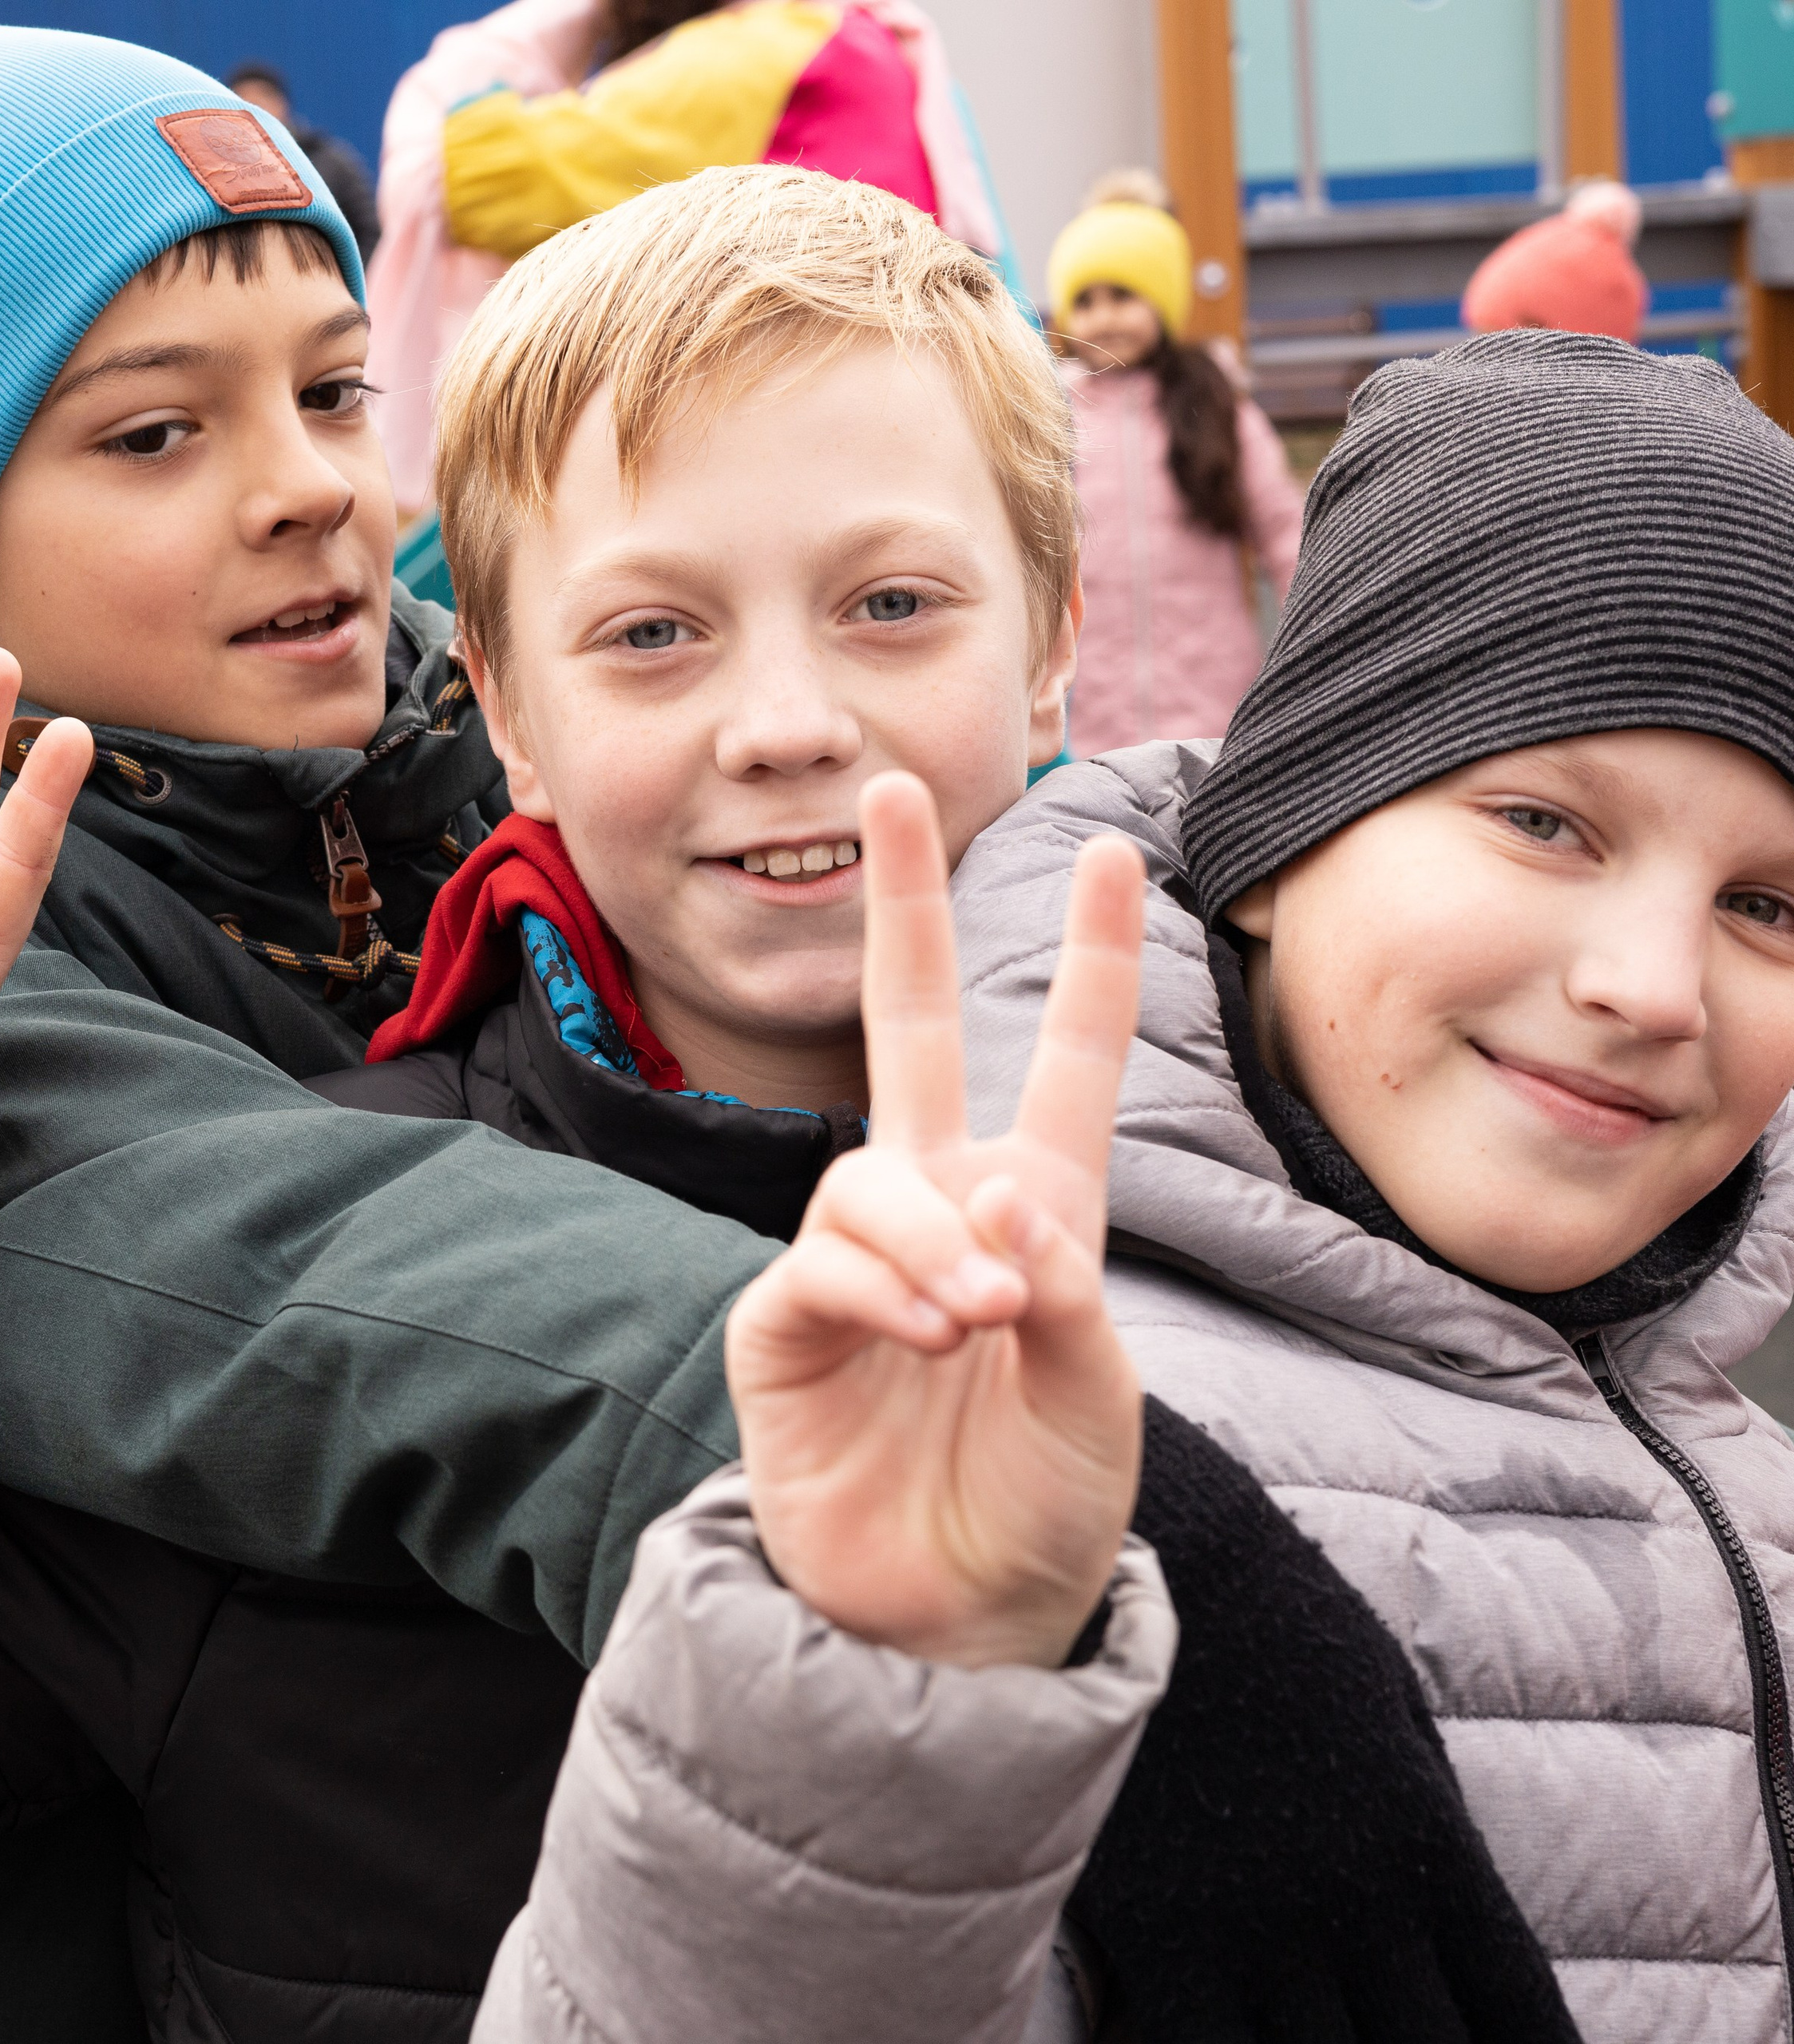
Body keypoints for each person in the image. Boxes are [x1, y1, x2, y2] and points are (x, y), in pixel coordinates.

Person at [0, 152, 1575, 2044]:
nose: (781, 716)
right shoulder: (311, 1339)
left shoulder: (1360, 1199)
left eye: (886, 602)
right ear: (494, 705)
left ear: (1051, 642)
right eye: (650, 632)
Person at [952, 327, 1794, 2044]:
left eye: (1766, 903)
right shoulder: (1057, 1470)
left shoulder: (1735, 1429)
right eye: (1543, 821)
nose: (1652, 982)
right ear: (1276, 834)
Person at [363, 0, 1008, 513]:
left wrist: (570, 15)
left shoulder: (747, 57)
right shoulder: (872, 41)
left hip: (797, 455)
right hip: (893, 436)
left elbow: (448, 167)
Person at [1045, 175, 1302, 758]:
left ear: (1162, 300)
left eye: (1124, 296)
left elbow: (1284, 530)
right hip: (1093, 696)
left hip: (1210, 682)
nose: (1105, 317)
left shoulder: (1215, 405)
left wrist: (1314, 635)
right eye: (1085, 301)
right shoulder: (1053, 413)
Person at [1462, 177, 1649, 343]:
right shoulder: (1614, 268)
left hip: (1487, 316)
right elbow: (1613, 347)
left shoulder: (1548, 231)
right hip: (1528, 336)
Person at [228, 60, 381, 260]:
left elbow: (370, 231)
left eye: (261, 101)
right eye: (241, 104)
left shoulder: (332, 162)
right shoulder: (221, 171)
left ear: (282, 104)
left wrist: (342, 282)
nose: (252, 112)